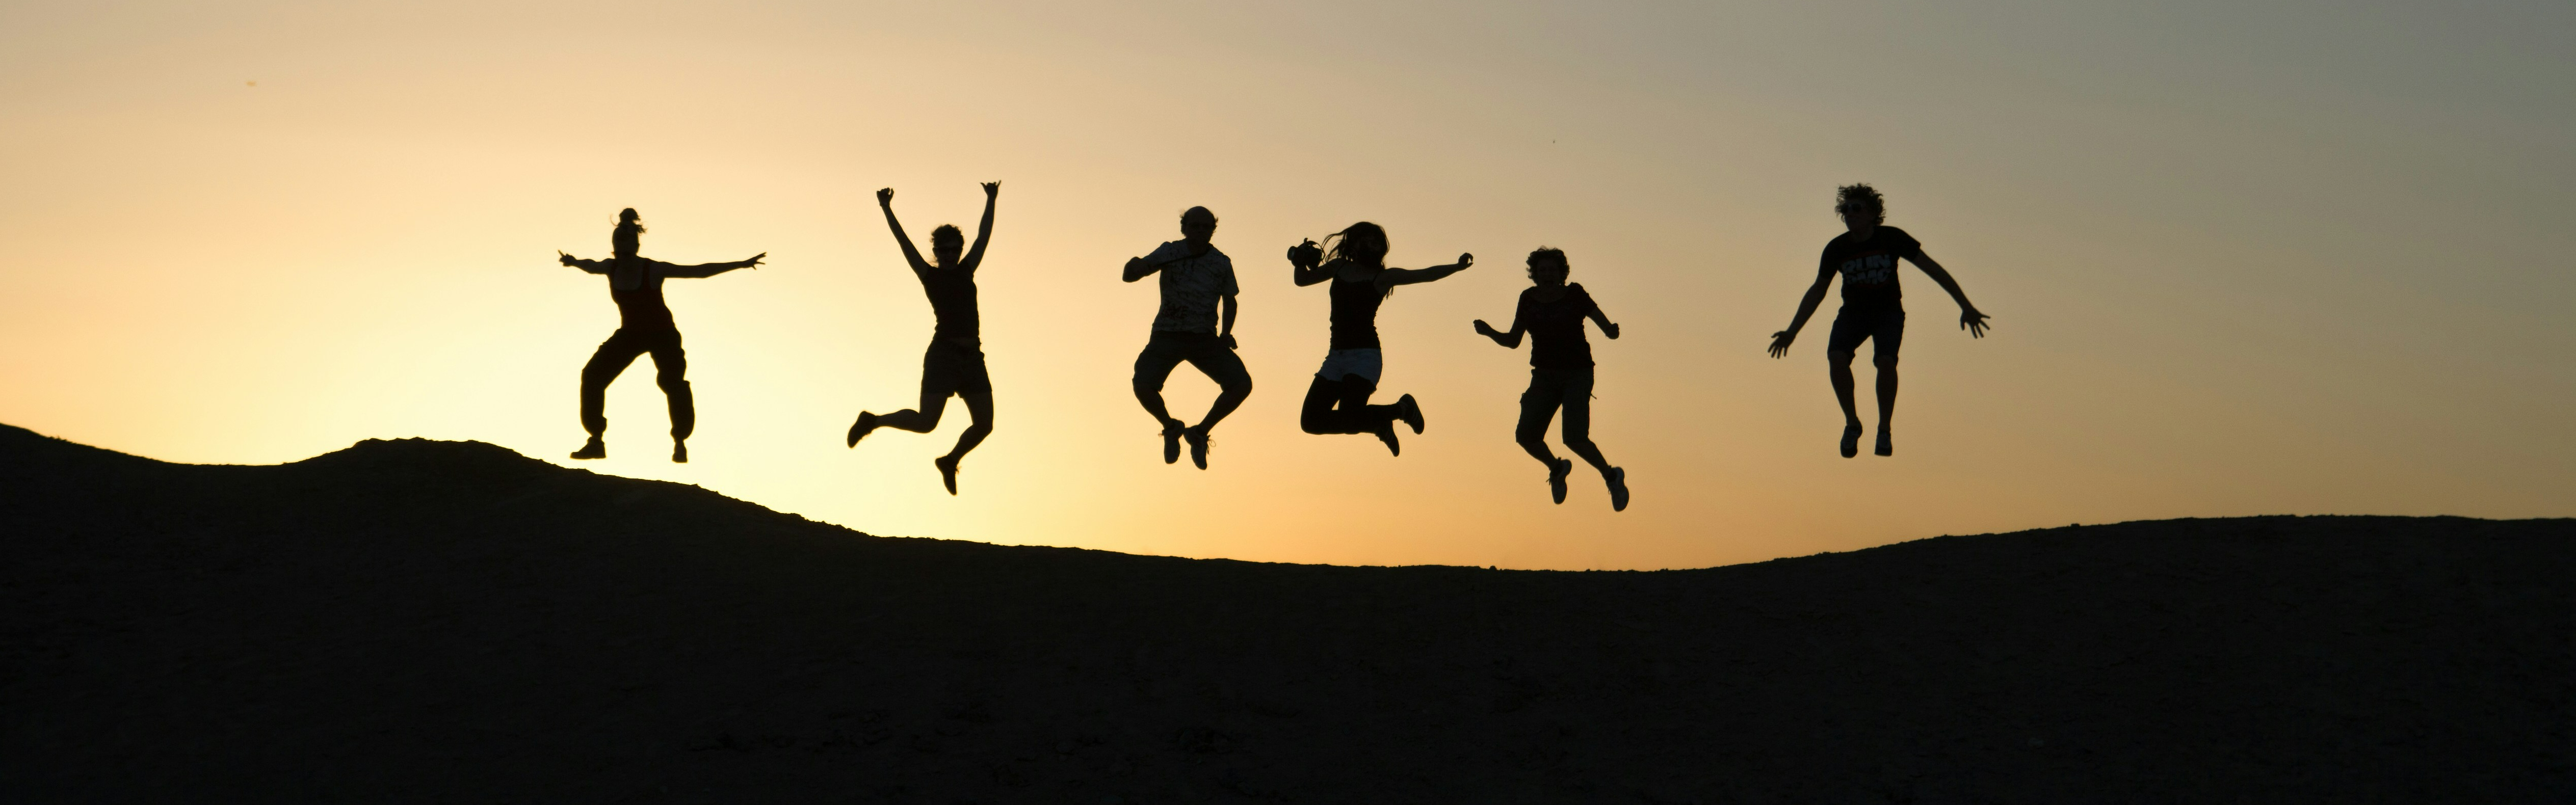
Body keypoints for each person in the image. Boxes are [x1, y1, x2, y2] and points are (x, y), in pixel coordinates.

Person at [1767, 184, 1989, 458]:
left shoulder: (1892, 238)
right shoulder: (1837, 249)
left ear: (1873, 214)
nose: (1850, 214)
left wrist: (1965, 305)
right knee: (1836, 357)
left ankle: (1884, 429)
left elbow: (1933, 270)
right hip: (1853, 314)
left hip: (1887, 313)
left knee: (1885, 362)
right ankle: (1852, 423)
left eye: (1857, 208)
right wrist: (1792, 331)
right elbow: (1818, 291)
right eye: (1846, 210)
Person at [555, 208, 765, 463]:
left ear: (636, 245)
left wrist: (740, 264)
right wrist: (573, 262)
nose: (622, 251)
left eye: (627, 246)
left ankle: (680, 442)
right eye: (617, 246)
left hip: (663, 335)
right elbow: (590, 266)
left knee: (672, 383)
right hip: (630, 335)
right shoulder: (611, 268)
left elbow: (699, 271)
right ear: (614, 248)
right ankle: (596, 441)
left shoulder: (652, 270)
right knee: (592, 376)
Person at [847, 183, 1001, 495]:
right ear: (936, 252)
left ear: (959, 250)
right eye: (942, 250)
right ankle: (872, 421)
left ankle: (950, 460)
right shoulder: (929, 275)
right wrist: (886, 209)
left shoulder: (967, 270)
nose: (948, 255)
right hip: (944, 355)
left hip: (973, 358)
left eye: (954, 249)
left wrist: (991, 200)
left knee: (984, 425)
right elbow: (903, 243)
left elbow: (984, 237)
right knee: (926, 422)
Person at [1286, 222, 1471, 456]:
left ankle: (1400, 410)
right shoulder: (1339, 267)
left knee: (1349, 417)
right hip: (1336, 357)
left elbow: (1425, 275)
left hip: (1365, 357)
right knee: (1311, 422)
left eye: (1377, 242)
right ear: (1354, 243)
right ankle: (1383, 421)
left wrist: (1456, 267)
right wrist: (1298, 262)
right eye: (1369, 239)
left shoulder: (1383, 277)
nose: (1374, 245)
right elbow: (1302, 280)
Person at [1473, 247, 1629, 510]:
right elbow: (1513, 341)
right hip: (1544, 376)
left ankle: (1611, 476)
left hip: (1577, 374)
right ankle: (1557, 468)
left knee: (1574, 438)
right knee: (1526, 436)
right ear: (1534, 274)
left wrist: (1610, 331)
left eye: (1552, 270)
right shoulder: (1528, 300)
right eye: (1542, 270)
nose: (1547, 274)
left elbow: (1602, 322)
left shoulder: (1575, 294)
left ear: (1561, 274)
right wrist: (1489, 332)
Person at [1122, 206, 1252, 469]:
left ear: (1213, 230)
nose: (1201, 231)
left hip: (1204, 339)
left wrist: (1226, 333)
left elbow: (1230, 300)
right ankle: (1171, 428)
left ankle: (1199, 433)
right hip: (1167, 335)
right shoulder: (1170, 252)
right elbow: (1132, 274)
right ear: (1185, 228)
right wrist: (1135, 266)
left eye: (1207, 227)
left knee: (1241, 385)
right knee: (1142, 385)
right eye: (1196, 226)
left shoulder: (1221, 262)